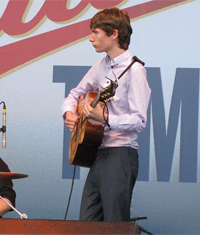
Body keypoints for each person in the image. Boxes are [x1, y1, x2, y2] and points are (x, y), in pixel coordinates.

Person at [61, 8, 151, 222]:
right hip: (98, 154)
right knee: (87, 222)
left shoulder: (135, 70)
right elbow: (75, 94)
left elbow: (139, 120)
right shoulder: (101, 65)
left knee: (114, 223)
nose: (90, 39)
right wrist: (69, 113)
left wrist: (106, 119)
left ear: (114, 34)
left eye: (96, 32)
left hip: (120, 154)